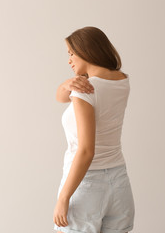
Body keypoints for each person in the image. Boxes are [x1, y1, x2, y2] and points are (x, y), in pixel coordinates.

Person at [53, 26, 135, 233]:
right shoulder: (121, 80)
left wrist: (64, 197)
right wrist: (67, 83)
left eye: (71, 53)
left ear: (86, 50)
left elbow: (87, 150)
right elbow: (60, 96)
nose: (69, 60)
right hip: (119, 184)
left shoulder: (86, 91)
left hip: (85, 186)